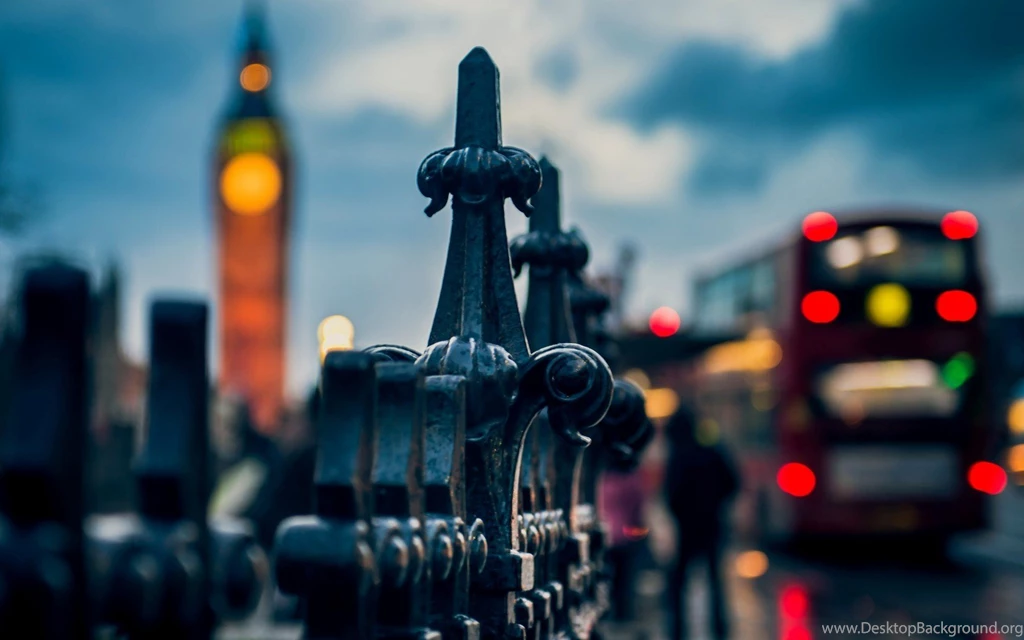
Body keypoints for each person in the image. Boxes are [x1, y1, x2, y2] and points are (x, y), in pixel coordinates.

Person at [662, 405, 740, 640]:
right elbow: (732, 483)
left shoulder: (678, 455)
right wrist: (717, 506)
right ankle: (720, 628)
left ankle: (677, 630)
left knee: (679, 583)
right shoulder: (713, 451)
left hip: (686, 529)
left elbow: (671, 494)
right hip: (712, 524)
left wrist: (679, 515)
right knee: (716, 580)